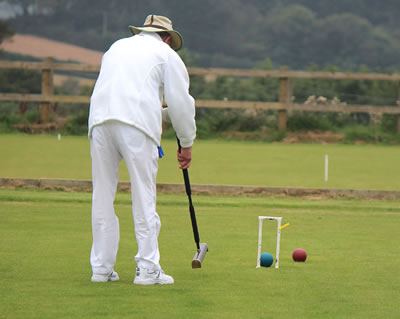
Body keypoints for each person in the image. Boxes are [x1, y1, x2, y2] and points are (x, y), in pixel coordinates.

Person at [88, 15, 196, 285]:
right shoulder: (167, 55)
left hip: (99, 122)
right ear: (168, 38)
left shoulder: (116, 47)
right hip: (136, 127)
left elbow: (134, 93)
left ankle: (101, 268)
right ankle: (148, 269)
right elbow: (180, 104)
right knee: (144, 195)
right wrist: (186, 143)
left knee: (102, 195)